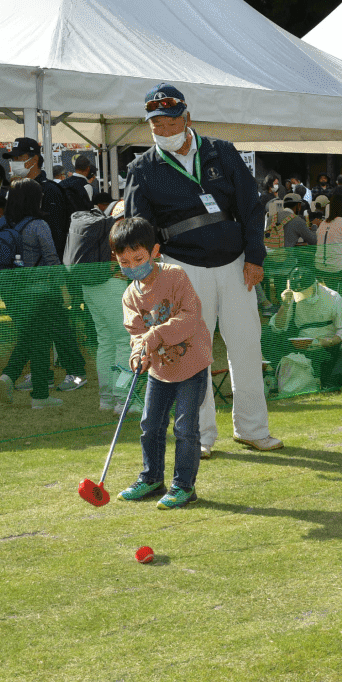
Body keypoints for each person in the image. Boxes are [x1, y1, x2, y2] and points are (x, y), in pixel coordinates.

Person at [122, 82, 281, 455]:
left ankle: (253, 429)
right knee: (194, 352)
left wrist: (255, 257)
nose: (163, 131)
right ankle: (202, 436)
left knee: (246, 344)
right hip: (181, 268)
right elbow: (138, 226)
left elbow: (251, 208)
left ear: (186, 118)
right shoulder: (141, 168)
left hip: (236, 263)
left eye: (169, 123)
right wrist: (150, 273)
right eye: (155, 125)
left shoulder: (222, 153)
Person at [112, 217, 212, 510]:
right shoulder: (130, 295)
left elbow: (189, 317)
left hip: (190, 365)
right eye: (124, 261)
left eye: (138, 258)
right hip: (159, 371)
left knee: (184, 429)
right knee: (150, 425)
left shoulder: (175, 276)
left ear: (154, 251)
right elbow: (135, 334)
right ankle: (151, 478)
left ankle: (183, 486)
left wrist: (154, 336)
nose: (131, 266)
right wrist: (136, 356)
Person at [0, 180, 89, 409]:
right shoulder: (39, 225)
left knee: (31, 338)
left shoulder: (2, 223)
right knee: (40, 339)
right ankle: (31, 389)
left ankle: (29, 385)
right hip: (42, 292)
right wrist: (64, 289)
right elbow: (51, 260)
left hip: (13, 293)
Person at [265, 265, 342, 391]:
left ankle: (333, 380)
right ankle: (282, 375)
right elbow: (277, 328)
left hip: (328, 347)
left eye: (305, 291)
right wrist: (285, 304)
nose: (301, 295)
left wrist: (329, 341)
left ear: (314, 284)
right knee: (266, 335)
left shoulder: (333, 297)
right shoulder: (292, 298)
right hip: (301, 350)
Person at [6, 136, 71, 258]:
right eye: (13, 159)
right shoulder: (16, 189)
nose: (14, 162)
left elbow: (56, 232)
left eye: (18, 158)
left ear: (34, 159)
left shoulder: (50, 190)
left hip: (42, 264)